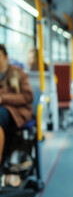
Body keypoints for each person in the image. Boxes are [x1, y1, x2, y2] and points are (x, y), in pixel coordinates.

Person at [0, 44, 34, 188]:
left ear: (6, 57)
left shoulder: (17, 72)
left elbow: (28, 96)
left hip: (15, 111)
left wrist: (2, 99)